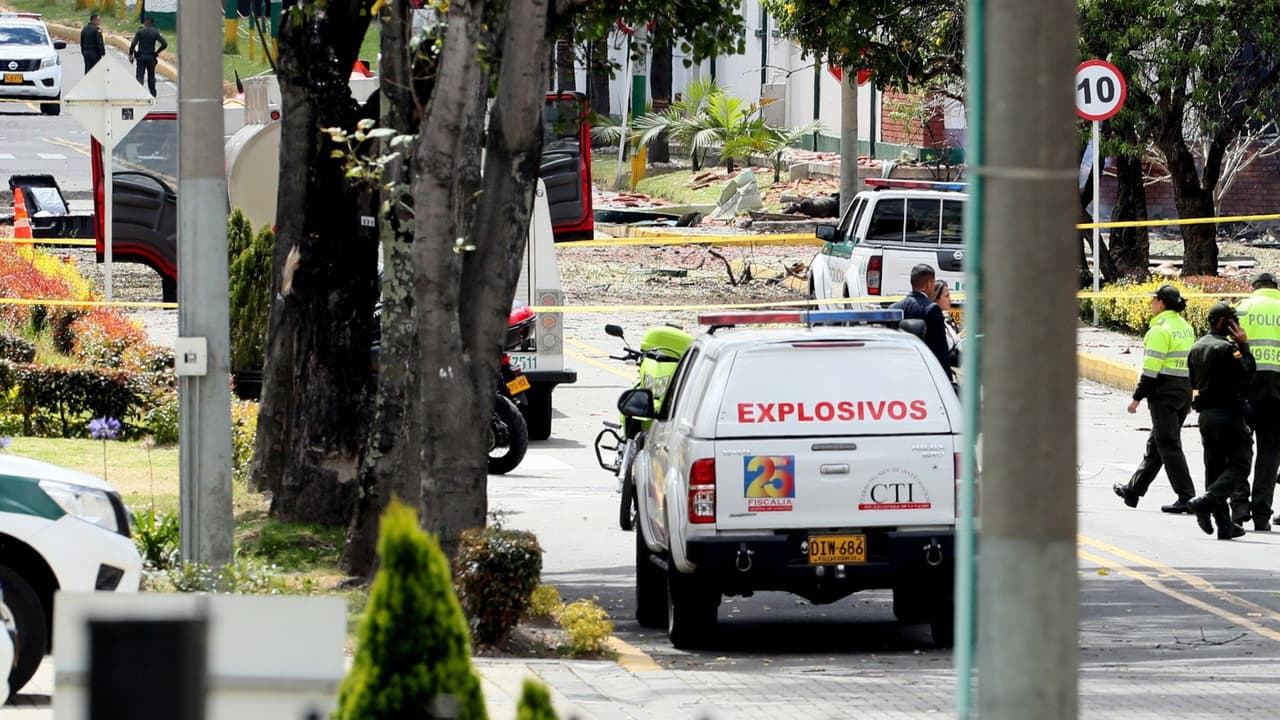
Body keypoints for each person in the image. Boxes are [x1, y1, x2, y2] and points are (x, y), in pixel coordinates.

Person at [1112, 284, 1198, 513]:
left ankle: (1187, 497)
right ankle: (1132, 490)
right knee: (1158, 443)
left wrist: (1136, 398)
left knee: (1168, 445)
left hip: (1164, 393)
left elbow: (1151, 371)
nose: (1151, 304)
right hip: (1183, 391)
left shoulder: (1160, 330)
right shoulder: (1185, 327)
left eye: (1153, 300)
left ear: (1161, 303)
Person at [1187, 302, 1256, 540]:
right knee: (1241, 464)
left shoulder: (1196, 347)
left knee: (1214, 468)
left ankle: (1224, 525)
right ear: (1221, 322)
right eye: (1232, 321)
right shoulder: (1228, 349)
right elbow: (1247, 372)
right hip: (1229, 415)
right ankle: (1207, 501)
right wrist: (1244, 344)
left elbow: (1193, 384)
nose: (1236, 325)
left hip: (1206, 417)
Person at [1234, 272, 1280, 531]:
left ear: (1254, 288)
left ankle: (1239, 506)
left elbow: (1225, 348)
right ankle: (1262, 515)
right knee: (1270, 452)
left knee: (1238, 448)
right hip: (1278, 390)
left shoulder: (1242, 308)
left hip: (1245, 387)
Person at [891, 264, 950, 376]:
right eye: (933, 283)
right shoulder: (932, 309)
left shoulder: (894, 308)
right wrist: (948, 379)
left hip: (900, 372)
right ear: (928, 284)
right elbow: (940, 349)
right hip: (926, 373)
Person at [129, 16, 168, 97]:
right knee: (151, 76)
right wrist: (157, 52)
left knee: (140, 76)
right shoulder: (155, 32)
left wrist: (131, 54)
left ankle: (139, 94)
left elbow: (133, 44)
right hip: (151, 57)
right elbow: (164, 44)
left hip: (141, 57)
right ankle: (153, 93)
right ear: (152, 23)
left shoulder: (140, 32)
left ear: (145, 22)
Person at [930, 279, 961, 371]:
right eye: (946, 296)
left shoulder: (946, 322)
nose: (950, 299)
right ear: (936, 298)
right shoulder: (933, 323)